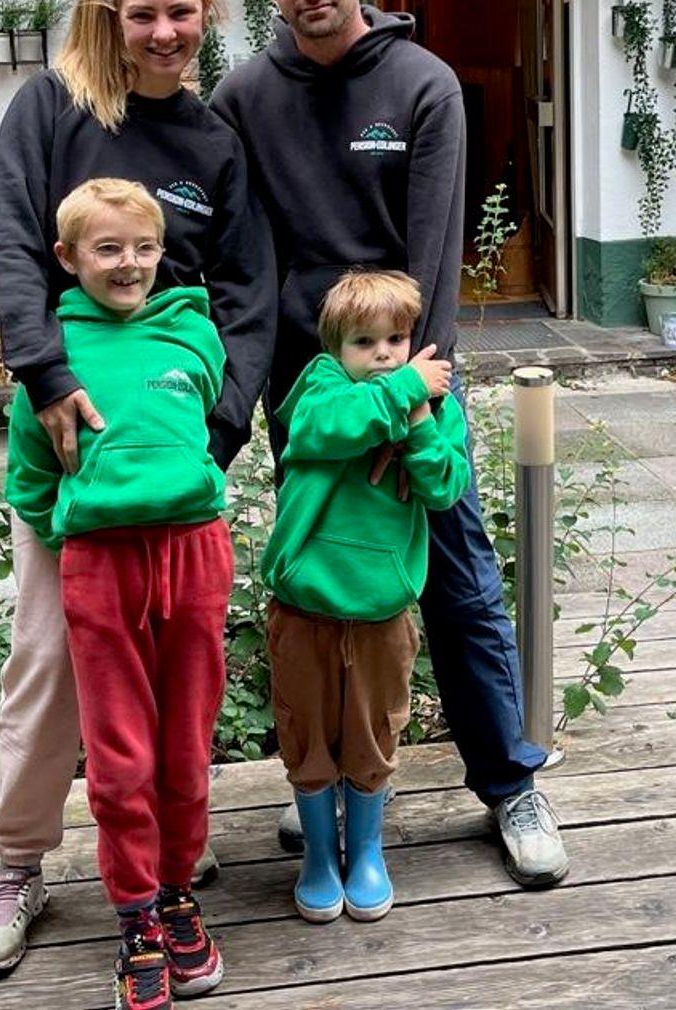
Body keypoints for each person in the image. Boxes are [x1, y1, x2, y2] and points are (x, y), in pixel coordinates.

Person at [210, 0, 570, 889]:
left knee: (456, 580)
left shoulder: (422, 85)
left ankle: (508, 782)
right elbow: (247, 262)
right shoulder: (242, 98)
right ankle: (327, 789)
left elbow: (435, 261)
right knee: (320, 595)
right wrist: (260, 399)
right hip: (313, 398)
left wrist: (414, 397)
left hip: (412, 383)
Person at [0, 0, 274, 981]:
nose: (164, 31)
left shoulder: (210, 137)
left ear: (206, 15)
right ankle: (18, 862)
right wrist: (46, 375)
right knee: (50, 658)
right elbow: (14, 244)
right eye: (143, 13)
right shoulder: (52, 109)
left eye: (182, 12)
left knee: (176, 680)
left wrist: (220, 427)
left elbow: (248, 289)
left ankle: (166, 861)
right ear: (110, 16)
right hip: (71, 454)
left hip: (174, 465)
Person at [2, 178, 234, 1010]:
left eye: (143, 247)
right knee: (120, 752)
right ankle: (135, 915)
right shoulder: (53, 352)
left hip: (194, 553)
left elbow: (202, 426)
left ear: (163, 251)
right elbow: (31, 479)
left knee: (186, 743)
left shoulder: (193, 334)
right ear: (68, 259)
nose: (128, 263)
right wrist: (83, 525)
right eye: (107, 249)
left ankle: (176, 892)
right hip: (101, 565)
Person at [266, 270, 467, 923]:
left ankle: (367, 852)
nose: (383, 354)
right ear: (335, 348)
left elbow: (444, 486)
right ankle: (320, 857)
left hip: (382, 610)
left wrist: (418, 421)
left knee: (374, 733)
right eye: (364, 342)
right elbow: (327, 429)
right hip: (305, 606)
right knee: (307, 734)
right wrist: (403, 391)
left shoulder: (429, 407)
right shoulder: (320, 389)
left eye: (396, 340)